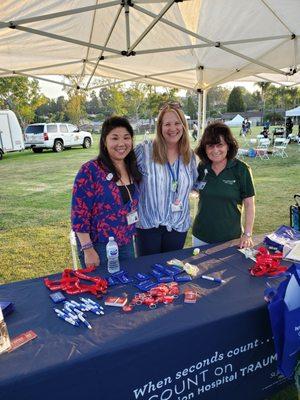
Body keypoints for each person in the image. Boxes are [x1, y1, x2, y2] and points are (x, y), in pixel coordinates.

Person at [71, 116, 142, 268]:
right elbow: (79, 214)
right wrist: (88, 249)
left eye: (126, 138)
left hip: (126, 242)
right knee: (102, 288)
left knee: (127, 286)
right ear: (104, 141)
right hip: (99, 246)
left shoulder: (132, 167)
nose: (121, 144)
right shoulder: (90, 170)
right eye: (114, 138)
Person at [135, 102, 198, 256]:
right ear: (160, 127)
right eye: (167, 124)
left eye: (177, 123)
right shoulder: (144, 150)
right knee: (148, 271)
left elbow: (195, 183)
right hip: (148, 226)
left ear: (184, 126)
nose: (172, 128)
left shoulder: (189, 156)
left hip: (177, 226)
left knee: (171, 271)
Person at [192, 122, 255, 249]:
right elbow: (195, 190)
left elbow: (249, 204)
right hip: (200, 236)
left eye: (219, 145)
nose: (215, 150)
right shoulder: (202, 167)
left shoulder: (241, 169)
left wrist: (247, 234)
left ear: (228, 146)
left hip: (230, 238)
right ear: (205, 148)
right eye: (210, 146)